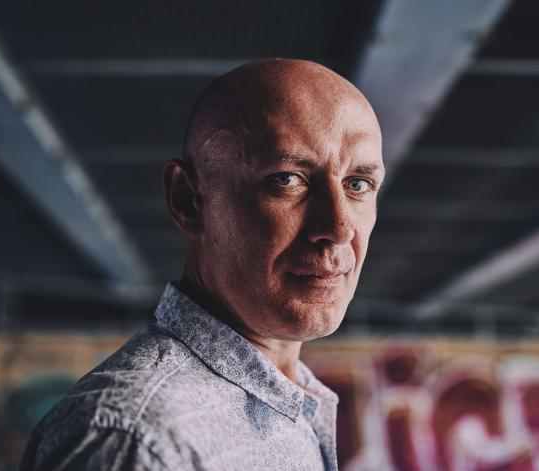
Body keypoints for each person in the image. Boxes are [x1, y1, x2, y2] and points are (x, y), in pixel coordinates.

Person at [19, 58, 384, 470]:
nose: (338, 228)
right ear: (188, 201)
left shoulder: (291, 401)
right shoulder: (136, 442)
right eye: (286, 179)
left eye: (358, 184)